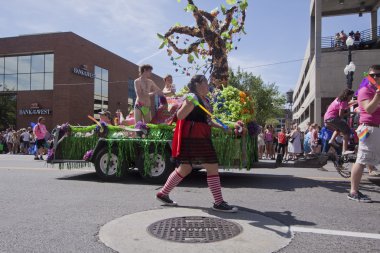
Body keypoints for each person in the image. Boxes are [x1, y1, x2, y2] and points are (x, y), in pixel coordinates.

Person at [156, 74, 238, 213]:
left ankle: (163, 193)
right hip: (195, 137)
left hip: (200, 135)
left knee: (185, 168)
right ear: (198, 84)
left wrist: (225, 127)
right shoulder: (192, 97)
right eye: (206, 82)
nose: (208, 85)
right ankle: (218, 202)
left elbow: (208, 121)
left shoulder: (205, 100)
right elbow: (181, 116)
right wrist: (189, 102)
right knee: (212, 166)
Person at [348, 65, 380, 202]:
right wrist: (378, 94)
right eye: (373, 75)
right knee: (361, 160)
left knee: (364, 159)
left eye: (379, 75)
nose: (376, 77)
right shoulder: (365, 90)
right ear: (368, 77)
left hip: (375, 128)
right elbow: (369, 109)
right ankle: (353, 192)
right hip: (367, 128)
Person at [324, 88, 357, 155]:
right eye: (350, 96)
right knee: (347, 131)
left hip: (327, 118)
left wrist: (356, 101)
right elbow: (341, 115)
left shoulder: (338, 99)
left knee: (339, 129)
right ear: (347, 95)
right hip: (333, 118)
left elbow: (348, 104)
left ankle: (332, 140)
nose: (350, 98)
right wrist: (351, 113)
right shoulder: (343, 102)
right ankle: (344, 151)